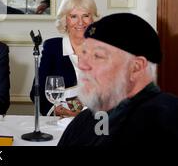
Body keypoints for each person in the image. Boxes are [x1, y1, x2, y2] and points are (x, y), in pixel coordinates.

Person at [58, 13, 178, 146]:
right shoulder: (85, 119)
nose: (82, 65)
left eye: (97, 56)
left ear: (136, 67)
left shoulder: (165, 119)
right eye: (84, 53)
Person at [30, 0, 98, 116]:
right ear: (65, 20)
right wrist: (56, 110)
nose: (80, 22)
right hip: (61, 121)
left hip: (96, 121)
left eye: (85, 16)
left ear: (92, 19)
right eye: (73, 16)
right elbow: (37, 92)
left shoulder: (102, 49)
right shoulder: (52, 48)